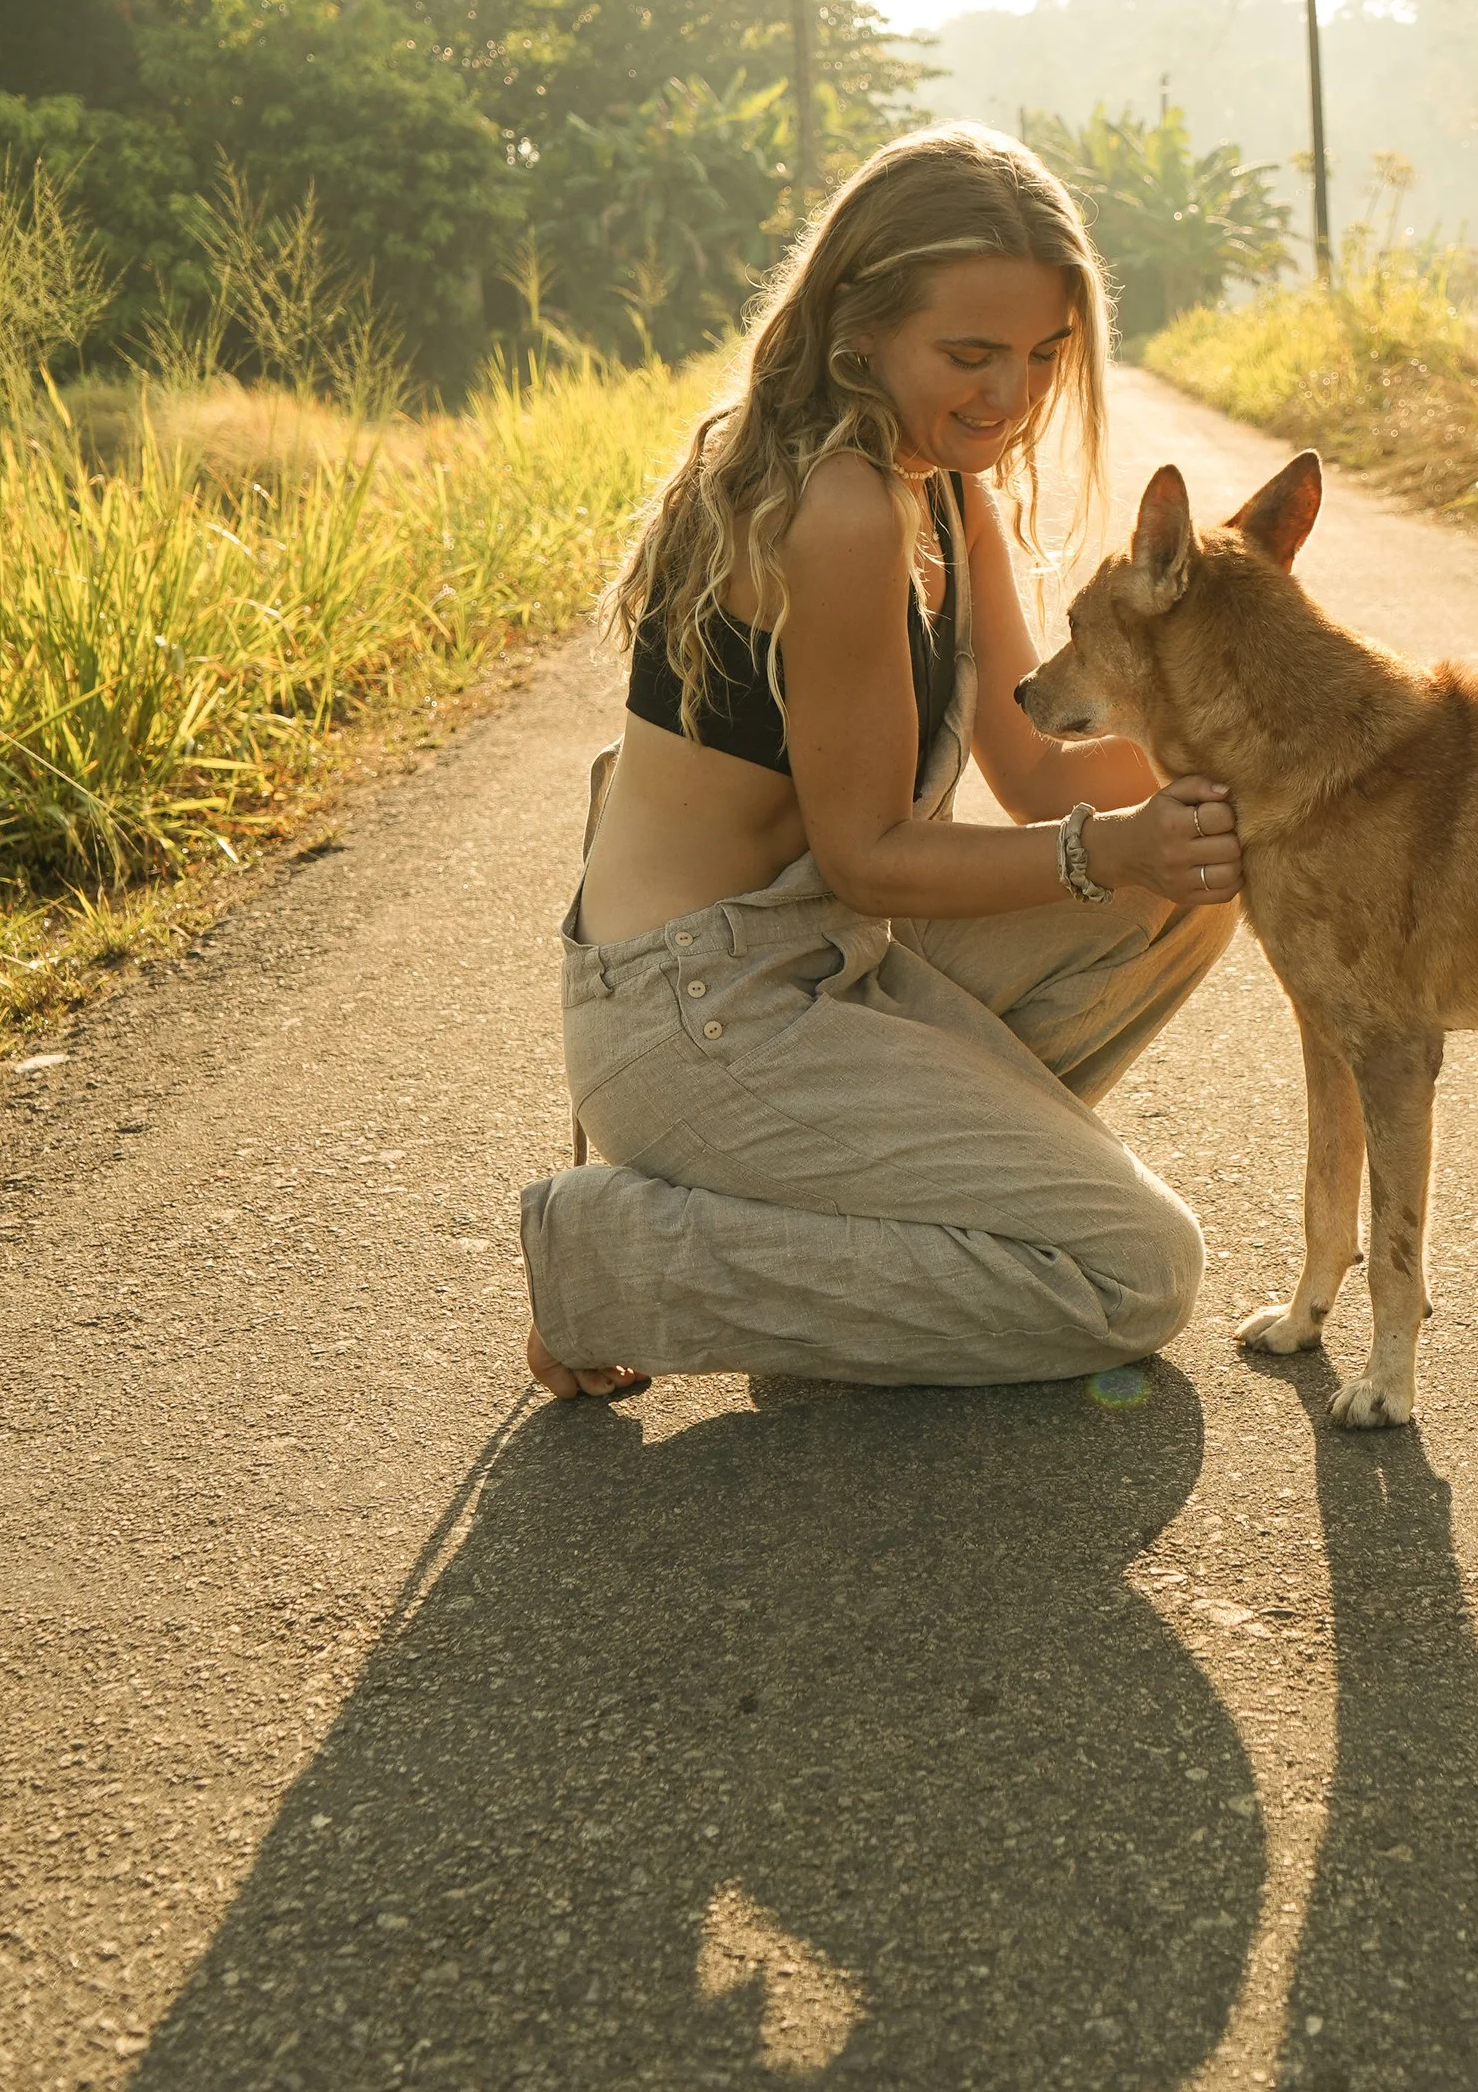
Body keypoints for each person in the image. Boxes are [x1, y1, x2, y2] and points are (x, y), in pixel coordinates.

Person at [519, 122, 1244, 1402]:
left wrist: (1266, 762)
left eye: (1041, 355)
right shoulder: (838, 508)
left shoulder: (948, 488)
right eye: (968, 355)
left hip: (830, 956)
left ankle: (853, 1241)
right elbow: (868, 857)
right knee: (1136, 1274)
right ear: (858, 330)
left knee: (1186, 883)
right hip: (698, 1011)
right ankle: (621, 1259)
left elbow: (1037, 771)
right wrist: (1117, 845)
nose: (1009, 396)